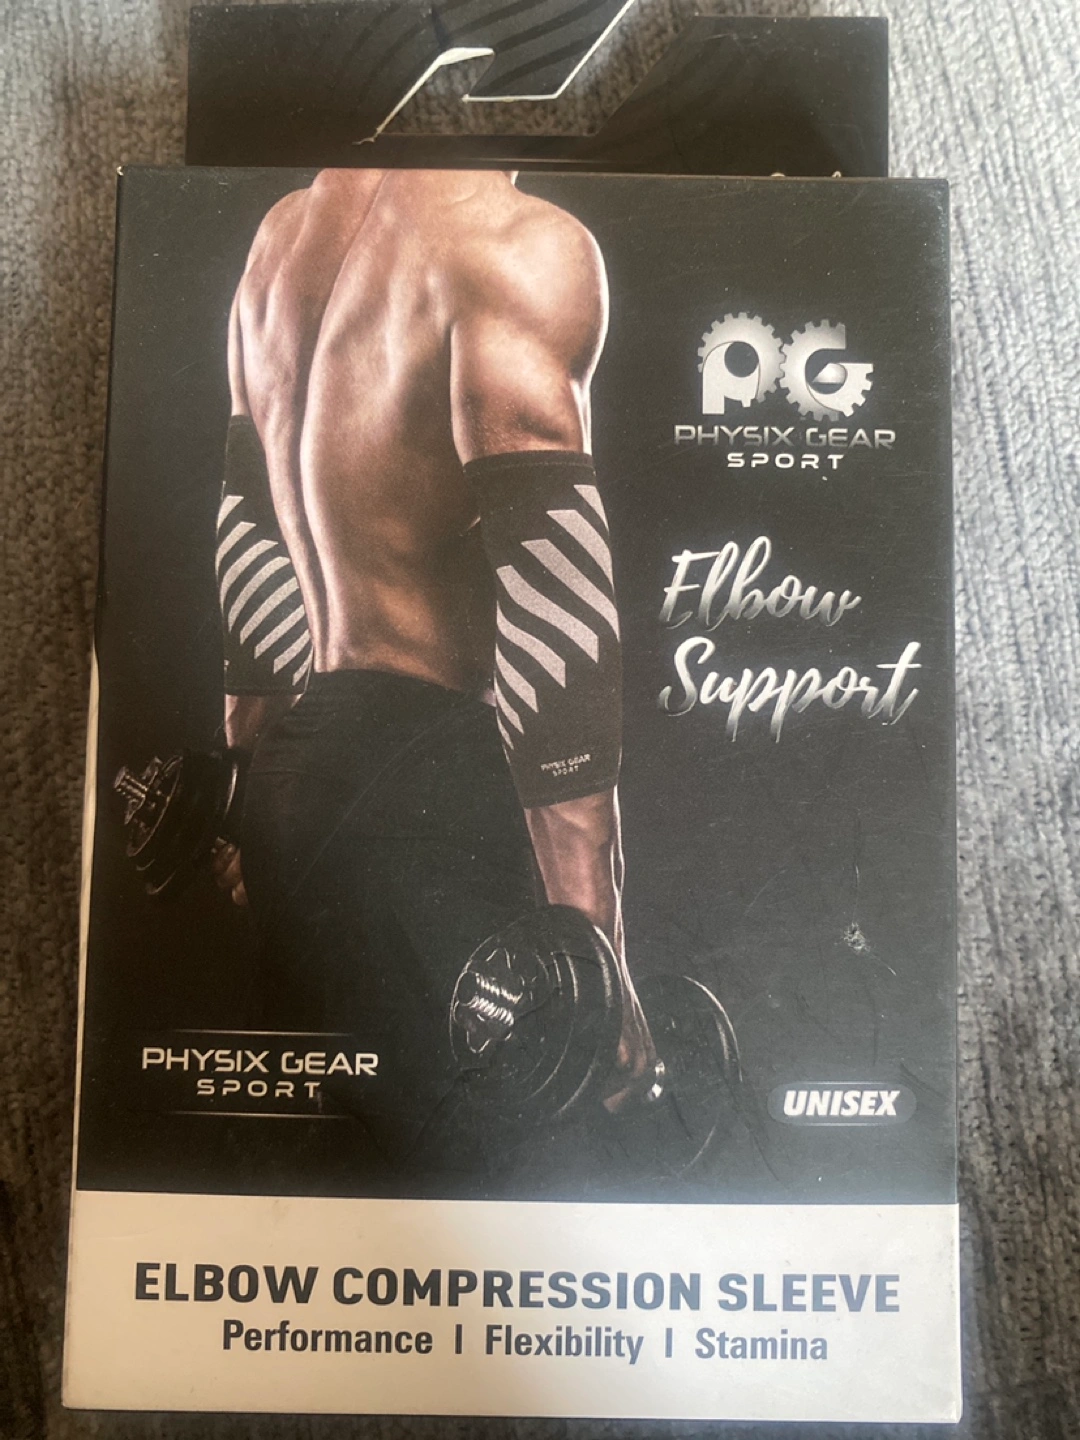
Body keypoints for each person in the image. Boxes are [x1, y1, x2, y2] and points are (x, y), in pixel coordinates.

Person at [210, 168, 654, 1173]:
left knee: (344, 1175)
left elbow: (251, 533)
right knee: (493, 1186)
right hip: (425, 789)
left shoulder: (281, 237)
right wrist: (592, 955)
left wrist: (245, 786)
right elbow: (552, 609)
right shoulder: (511, 245)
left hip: (297, 773)